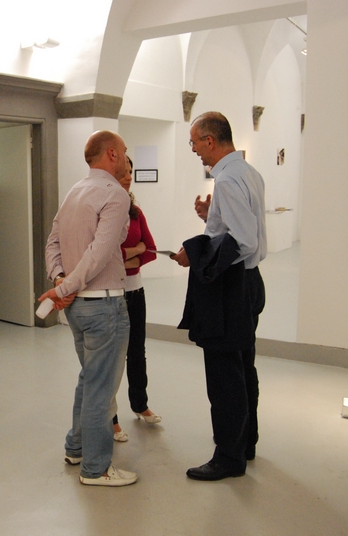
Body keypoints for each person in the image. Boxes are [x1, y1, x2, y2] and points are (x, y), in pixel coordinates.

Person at [171, 111, 267, 481]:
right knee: (243, 367)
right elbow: (241, 229)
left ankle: (228, 457)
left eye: (195, 141)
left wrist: (194, 253)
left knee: (225, 375)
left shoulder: (226, 179)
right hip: (250, 282)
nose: (193, 148)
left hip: (232, 287)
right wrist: (211, 217)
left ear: (210, 140)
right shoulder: (248, 173)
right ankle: (245, 443)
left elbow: (244, 240)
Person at [39, 130, 136, 487]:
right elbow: (98, 254)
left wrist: (60, 279)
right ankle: (96, 468)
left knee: (89, 379)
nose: (126, 158)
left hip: (78, 309)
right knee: (100, 388)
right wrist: (63, 287)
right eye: (124, 151)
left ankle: (76, 446)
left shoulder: (74, 191)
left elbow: (52, 244)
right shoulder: (114, 194)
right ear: (111, 154)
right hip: (103, 306)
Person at [111, 156, 161, 443]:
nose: (128, 177)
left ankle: (140, 404)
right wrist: (135, 251)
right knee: (112, 357)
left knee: (137, 352)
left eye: (130, 171)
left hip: (136, 291)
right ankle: (111, 418)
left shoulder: (135, 211)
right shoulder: (106, 210)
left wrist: (128, 256)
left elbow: (151, 249)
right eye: (123, 172)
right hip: (112, 293)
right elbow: (106, 256)